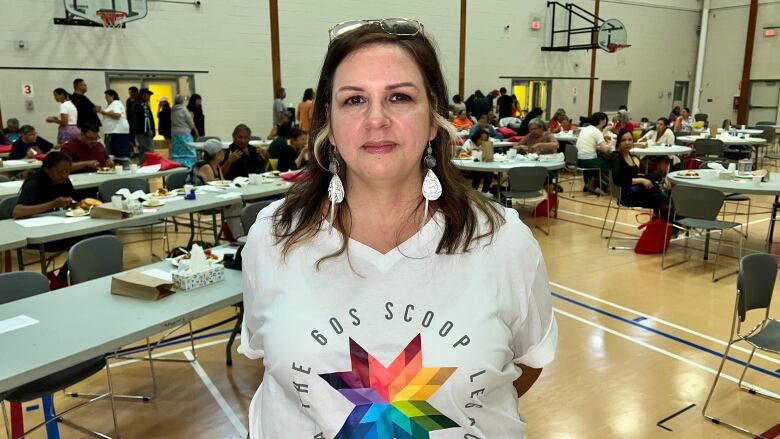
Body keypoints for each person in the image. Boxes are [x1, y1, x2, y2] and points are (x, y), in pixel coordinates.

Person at [239, 19, 556, 439]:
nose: (376, 119)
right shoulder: (273, 237)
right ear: (329, 127)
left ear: (432, 121)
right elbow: (273, 366)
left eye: (400, 97)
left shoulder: (503, 240)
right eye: (354, 100)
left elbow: (529, 361)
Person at [611, 129, 670, 218]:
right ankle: (665, 222)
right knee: (660, 197)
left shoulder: (629, 155)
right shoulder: (616, 156)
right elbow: (617, 180)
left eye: (630, 140)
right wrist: (642, 180)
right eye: (623, 140)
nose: (627, 143)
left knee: (656, 177)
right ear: (618, 142)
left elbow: (633, 176)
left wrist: (646, 179)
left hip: (635, 189)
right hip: (627, 195)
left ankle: (666, 200)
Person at [576, 112, 611, 194]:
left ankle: (590, 184)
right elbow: (605, 149)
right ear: (602, 121)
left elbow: (590, 144)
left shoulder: (586, 129)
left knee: (600, 160)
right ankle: (611, 186)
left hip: (578, 159)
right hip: (587, 160)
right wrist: (611, 144)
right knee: (608, 164)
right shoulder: (596, 131)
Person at [99, 89, 131, 163]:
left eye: (107, 96)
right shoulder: (112, 105)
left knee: (118, 154)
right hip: (115, 131)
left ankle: (122, 168)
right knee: (116, 154)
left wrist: (102, 111)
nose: (106, 99)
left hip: (116, 131)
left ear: (112, 96)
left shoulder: (116, 103)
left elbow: (117, 115)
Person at [130, 88, 156, 163]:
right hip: (144, 132)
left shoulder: (136, 104)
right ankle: (148, 166)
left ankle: (143, 165)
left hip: (138, 131)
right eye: (148, 95)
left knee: (142, 150)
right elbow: (146, 119)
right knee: (148, 149)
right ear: (144, 95)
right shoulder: (143, 105)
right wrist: (148, 130)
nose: (149, 97)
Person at [171, 95, 198, 167]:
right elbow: (190, 121)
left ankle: (178, 165)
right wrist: (193, 128)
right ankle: (189, 165)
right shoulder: (184, 110)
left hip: (175, 133)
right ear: (182, 101)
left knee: (177, 151)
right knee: (189, 149)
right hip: (184, 133)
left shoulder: (173, 109)